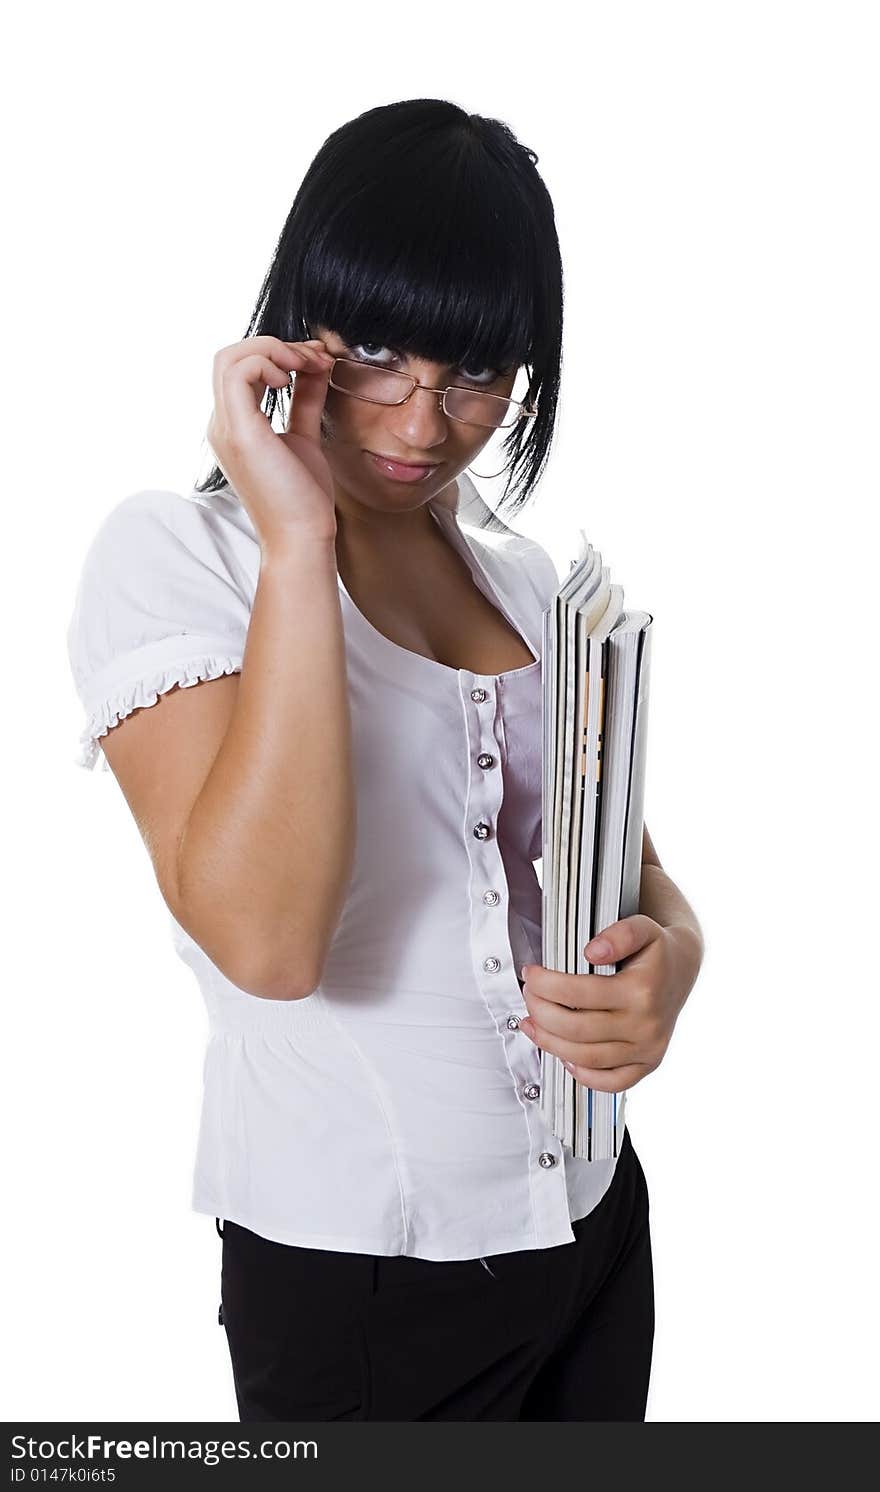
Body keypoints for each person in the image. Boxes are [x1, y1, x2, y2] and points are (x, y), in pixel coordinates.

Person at [66, 98, 703, 1422]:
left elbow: (625, 870)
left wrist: (677, 959)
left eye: (475, 372)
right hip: (361, 1282)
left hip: (593, 1231)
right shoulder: (181, 564)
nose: (421, 420)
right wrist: (296, 538)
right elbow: (269, 944)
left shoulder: (529, 586)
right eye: (376, 352)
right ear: (300, 316)